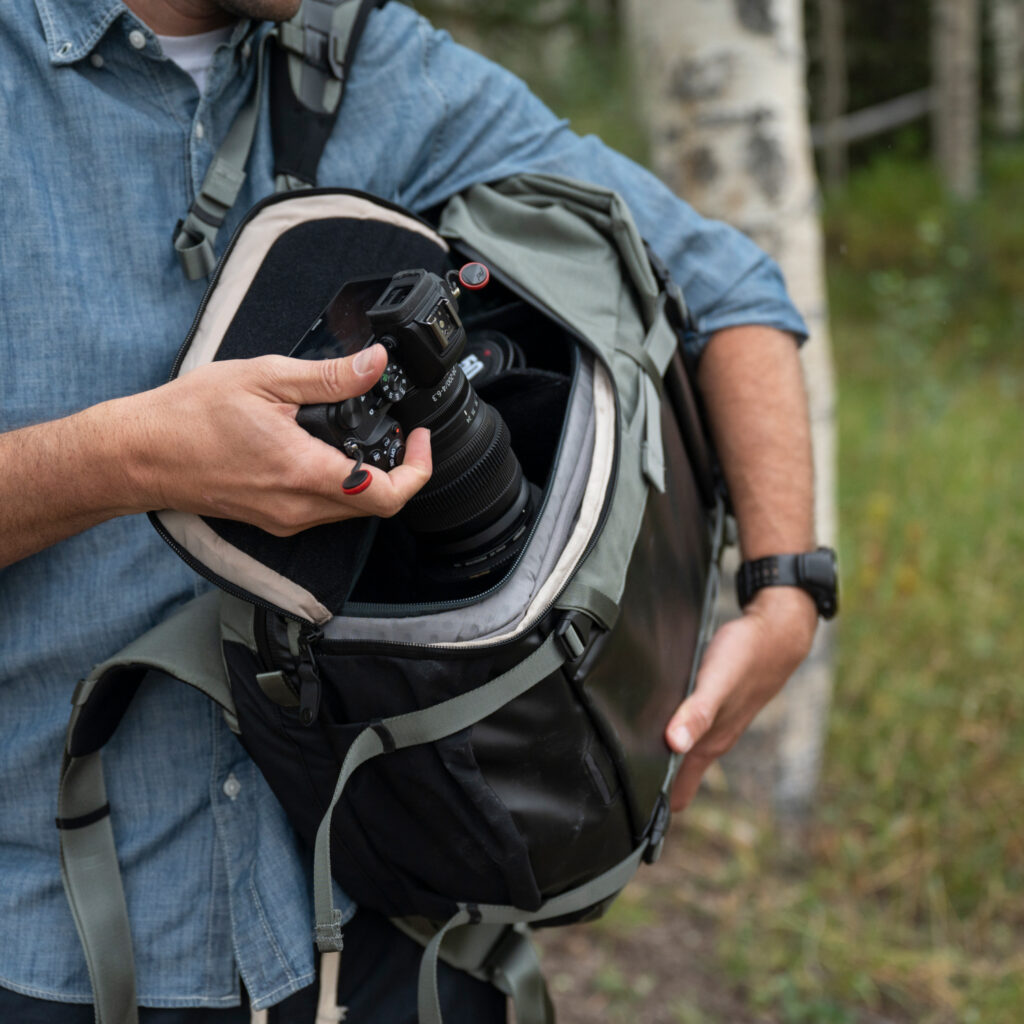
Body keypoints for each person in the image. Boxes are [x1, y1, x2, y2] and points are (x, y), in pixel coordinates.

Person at [0, 0, 820, 1019]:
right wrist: (128, 461)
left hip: (383, 920)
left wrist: (785, 586)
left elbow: (724, 283)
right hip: (42, 946)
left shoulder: (367, 57)